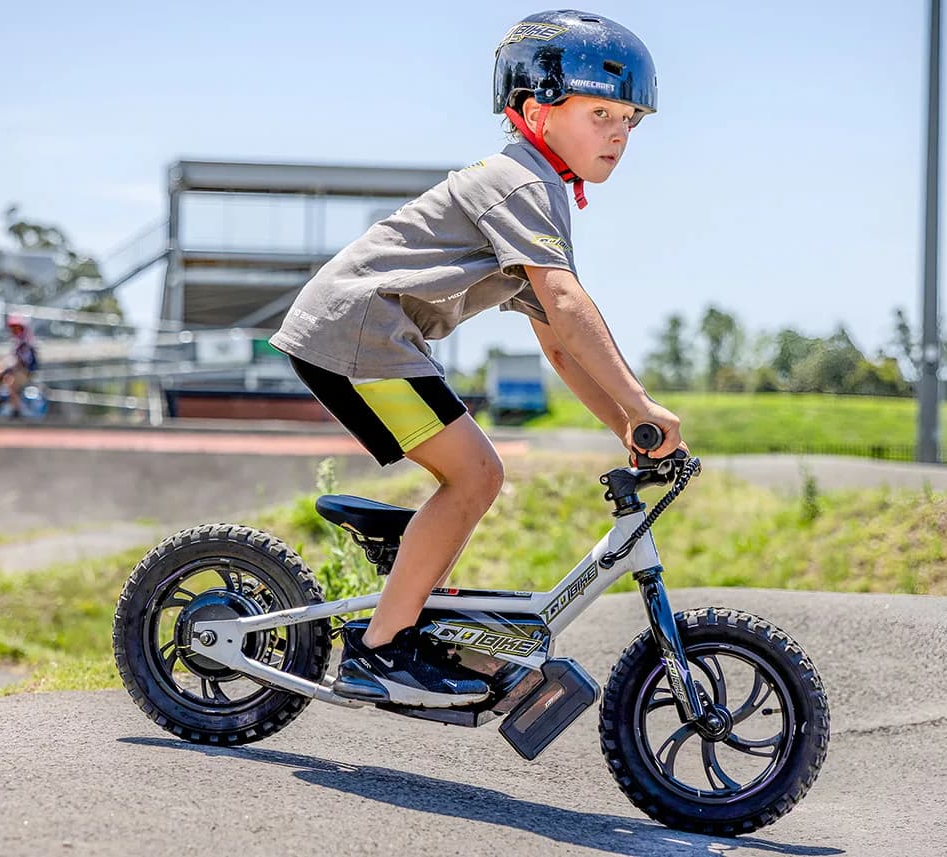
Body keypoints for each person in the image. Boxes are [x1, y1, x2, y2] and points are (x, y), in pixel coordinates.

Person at [269, 10, 685, 708]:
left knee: (471, 478)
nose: (619, 132)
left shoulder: (541, 191)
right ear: (535, 110)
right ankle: (381, 651)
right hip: (361, 333)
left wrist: (626, 428)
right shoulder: (520, 182)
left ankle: (403, 604)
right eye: (601, 112)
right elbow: (567, 302)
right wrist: (641, 404)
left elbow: (557, 341)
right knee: (476, 475)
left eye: (631, 120)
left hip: (368, 334)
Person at [0, 313, 39, 416]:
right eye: (13, 328)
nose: (14, 330)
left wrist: (7, 367)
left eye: (16, 327)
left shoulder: (26, 343)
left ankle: (18, 409)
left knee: (10, 382)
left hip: (25, 373)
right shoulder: (17, 342)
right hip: (14, 371)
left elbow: (23, 363)